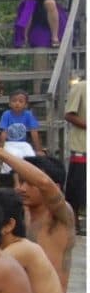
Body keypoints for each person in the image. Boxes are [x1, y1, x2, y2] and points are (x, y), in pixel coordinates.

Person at [0, 131, 76, 293]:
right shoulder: (18, 211)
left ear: (57, 187)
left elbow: (44, 182)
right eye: (21, 181)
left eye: (30, 183)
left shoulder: (61, 215)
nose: (22, 188)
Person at [0, 89, 44, 163]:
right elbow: (4, 133)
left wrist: (38, 150)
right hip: (9, 143)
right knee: (13, 156)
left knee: (30, 156)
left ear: (26, 105)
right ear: (9, 104)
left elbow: (34, 132)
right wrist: (0, 149)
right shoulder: (6, 114)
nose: (17, 103)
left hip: (23, 143)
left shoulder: (28, 114)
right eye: (14, 101)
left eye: (21, 101)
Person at [63, 77, 85, 233]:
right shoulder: (81, 87)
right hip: (82, 145)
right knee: (76, 189)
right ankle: (74, 224)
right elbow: (69, 115)